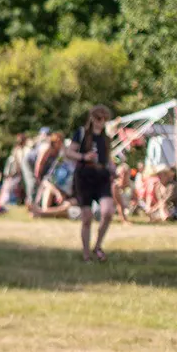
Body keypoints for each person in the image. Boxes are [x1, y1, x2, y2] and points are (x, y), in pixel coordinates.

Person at [70, 105, 115, 261]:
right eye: (98, 118)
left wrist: (113, 167)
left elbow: (108, 158)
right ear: (92, 118)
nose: (101, 122)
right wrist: (84, 157)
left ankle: (98, 245)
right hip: (84, 176)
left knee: (108, 211)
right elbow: (68, 152)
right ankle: (86, 253)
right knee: (87, 217)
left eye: (104, 119)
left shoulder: (106, 138)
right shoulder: (81, 133)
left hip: (102, 176)